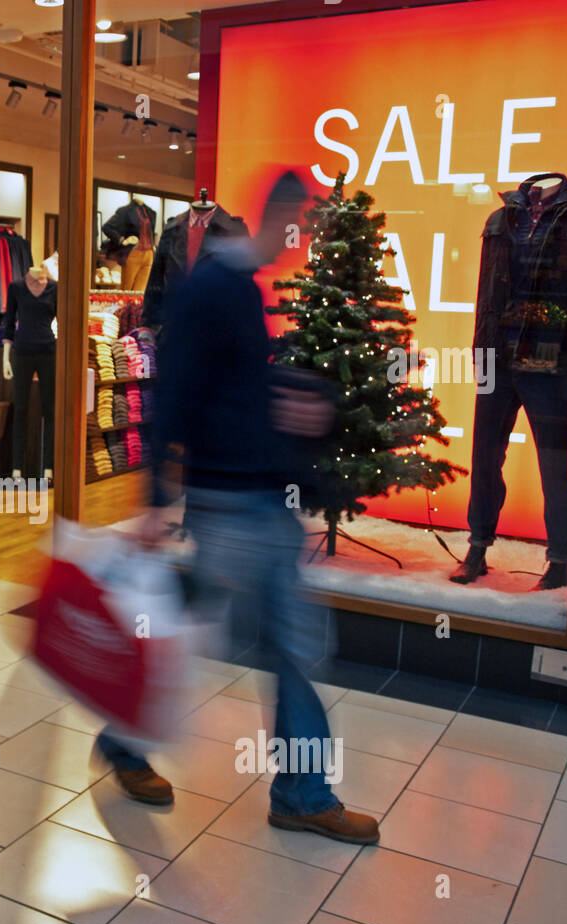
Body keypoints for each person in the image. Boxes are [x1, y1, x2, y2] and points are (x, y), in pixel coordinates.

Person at [141, 171, 379, 845]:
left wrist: (293, 394)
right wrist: (158, 499)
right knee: (228, 642)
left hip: (259, 500)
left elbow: (235, 386)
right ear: (284, 218)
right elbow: (176, 392)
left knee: (275, 645)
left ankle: (300, 792)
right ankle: (297, 791)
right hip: (226, 503)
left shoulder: (241, 289)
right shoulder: (212, 290)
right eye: (303, 226)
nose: (304, 244)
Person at [0, 264, 57, 484]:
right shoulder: (16, 287)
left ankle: (48, 469)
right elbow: (9, 323)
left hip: (48, 352)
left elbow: (62, 320)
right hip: (22, 352)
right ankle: (16, 469)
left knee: (49, 410)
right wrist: (5, 357)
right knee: (20, 409)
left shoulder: (55, 288)